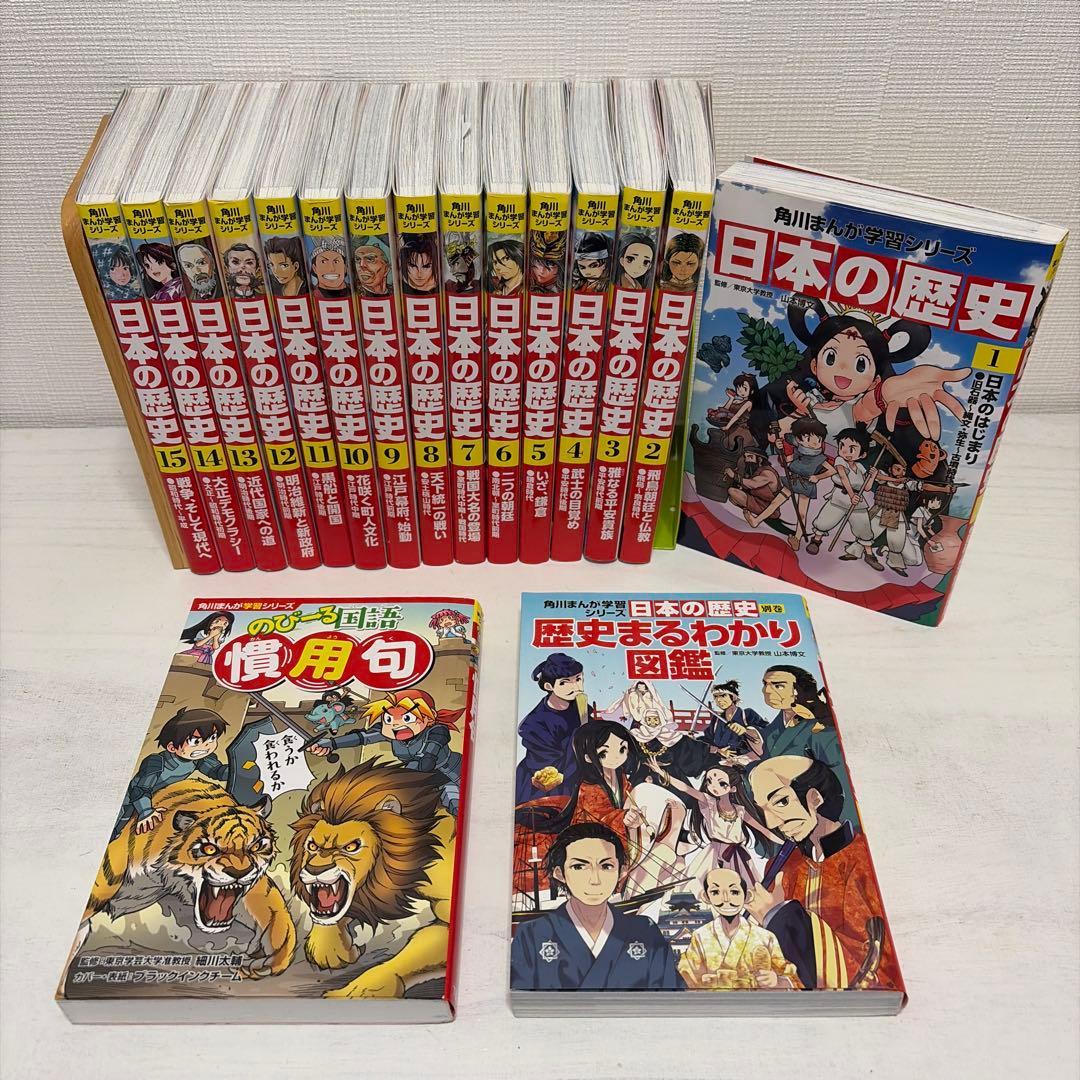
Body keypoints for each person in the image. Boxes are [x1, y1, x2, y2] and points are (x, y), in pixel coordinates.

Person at [745, 756, 901, 991]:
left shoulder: (864, 863)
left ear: (815, 798)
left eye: (781, 801)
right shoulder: (783, 867)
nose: (771, 822)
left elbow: (867, 971)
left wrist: (778, 916)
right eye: (763, 810)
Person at [509, 822, 684, 991]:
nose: (595, 880)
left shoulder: (645, 932)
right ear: (559, 873)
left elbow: (670, 998)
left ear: (622, 872)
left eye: (606, 866)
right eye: (579, 866)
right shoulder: (532, 935)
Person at [311, 689, 464, 815]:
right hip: (418, 776)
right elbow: (362, 737)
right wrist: (331, 743)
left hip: (451, 775)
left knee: (456, 804)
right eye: (389, 719)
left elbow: (434, 746)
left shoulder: (436, 731)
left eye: (407, 718)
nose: (396, 725)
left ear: (429, 717)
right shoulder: (390, 733)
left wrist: (428, 757)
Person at [646, 761, 776, 892]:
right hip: (714, 852)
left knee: (743, 889)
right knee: (703, 887)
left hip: (738, 855)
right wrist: (662, 773)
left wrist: (785, 841)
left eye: (722, 784)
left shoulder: (740, 810)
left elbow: (763, 830)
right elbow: (685, 788)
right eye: (709, 781)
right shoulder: (710, 803)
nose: (713, 786)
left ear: (733, 788)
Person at [111, 708, 230, 839]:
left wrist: (240, 769)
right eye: (195, 742)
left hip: (158, 801)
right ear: (172, 747)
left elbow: (217, 772)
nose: (207, 745)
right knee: (115, 830)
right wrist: (145, 810)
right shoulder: (156, 762)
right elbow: (139, 790)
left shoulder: (199, 759)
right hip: (129, 803)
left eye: (212, 738)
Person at [678, 868, 799, 990]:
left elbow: (792, 978)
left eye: (734, 892)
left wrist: (777, 981)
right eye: (715, 892)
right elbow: (688, 977)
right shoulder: (700, 936)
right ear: (706, 897)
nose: (726, 899)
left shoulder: (766, 937)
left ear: (747, 896)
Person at [744, 417, 831, 552]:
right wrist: (780, 449)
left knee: (801, 513)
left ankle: (797, 538)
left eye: (819, 439)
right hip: (792, 480)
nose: (815, 443)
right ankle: (756, 521)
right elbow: (787, 463)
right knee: (775, 503)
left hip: (806, 485)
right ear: (799, 439)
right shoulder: (798, 450)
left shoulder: (819, 457)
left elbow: (832, 470)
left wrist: (817, 477)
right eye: (809, 439)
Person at [515, 653, 591, 804]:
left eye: (578, 679)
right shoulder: (534, 725)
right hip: (547, 784)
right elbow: (549, 767)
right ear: (549, 686)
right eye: (564, 683)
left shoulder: (580, 705)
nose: (576, 687)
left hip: (578, 772)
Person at [805, 427, 874, 556]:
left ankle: (869, 554)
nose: (845, 450)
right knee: (826, 520)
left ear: (862, 455)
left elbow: (867, 487)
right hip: (841, 495)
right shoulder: (840, 460)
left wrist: (872, 476)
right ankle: (816, 540)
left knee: (863, 526)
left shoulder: (860, 467)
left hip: (857, 500)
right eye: (842, 446)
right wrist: (851, 495)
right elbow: (843, 477)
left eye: (852, 449)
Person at [629, 709, 713, 810]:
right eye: (649, 719)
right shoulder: (638, 735)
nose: (652, 722)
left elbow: (688, 749)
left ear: (661, 720)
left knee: (678, 805)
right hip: (644, 772)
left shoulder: (670, 736)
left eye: (655, 719)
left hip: (670, 773)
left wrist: (706, 748)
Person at [701, 679, 766, 757]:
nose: (718, 700)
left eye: (723, 696)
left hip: (748, 759)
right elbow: (707, 740)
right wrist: (717, 750)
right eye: (715, 697)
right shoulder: (716, 719)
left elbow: (767, 732)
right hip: (720, 760)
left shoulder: (747, 714)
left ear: (733, 697)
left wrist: (747, 731)